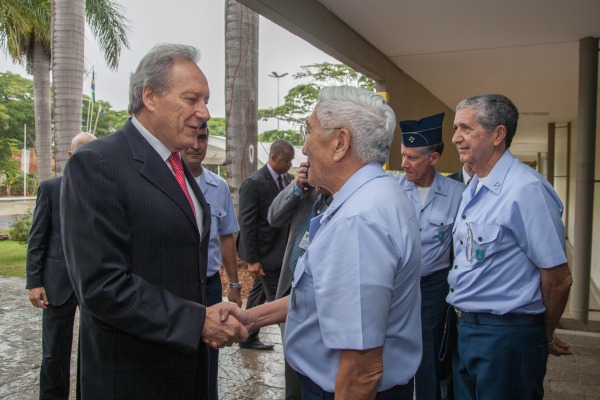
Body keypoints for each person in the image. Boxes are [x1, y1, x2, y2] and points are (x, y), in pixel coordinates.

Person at [60, 43, 247, 399]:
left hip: (184, 368)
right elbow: (101, 285)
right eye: (192, 99)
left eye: (206, 100)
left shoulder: (178, 166)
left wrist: (210, 311)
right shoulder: (98, 163)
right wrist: (196, 320)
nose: (205, 112)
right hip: (133, 375)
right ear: (150, 96)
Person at [220, 86, 422, 399]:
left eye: (309, 131)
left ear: (340, 142)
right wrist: (253, 317)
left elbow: (361, 368)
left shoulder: (358, 221)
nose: (303, 148)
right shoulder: (372, 196)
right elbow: (321, 298)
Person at [448, 93, 573, 400]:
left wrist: (541, 336)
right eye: (456, 128)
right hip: (466, 329)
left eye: (465, 128)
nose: (455, 138)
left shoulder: (525, 189)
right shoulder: (474, 187)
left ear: (498, 134)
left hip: (507, 337)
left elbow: (558, 279)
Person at [396, 112, 464, 400]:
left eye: (412, 157)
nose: (403, 164)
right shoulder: (393, 189)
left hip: (433, 286)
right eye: (402, 155)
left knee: (428, 354)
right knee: (394, 351)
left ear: (433, 158)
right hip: (398, 286)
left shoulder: (458, 193)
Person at [26, 131, 96, 400]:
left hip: (93, 283)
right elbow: (37, 239)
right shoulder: (50, 188)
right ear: (71, 156)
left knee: (92, 352)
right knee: (54, 352)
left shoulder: (103, 189)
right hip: (58, 282)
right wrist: (34, 282)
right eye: (82, 153)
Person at [180, 122, 242, 400]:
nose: (197, 144)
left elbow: (227, 238)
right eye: (191, 137)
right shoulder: (164, 183)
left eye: (202, 138)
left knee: (210, 356)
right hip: (176, 287)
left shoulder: (218, 187)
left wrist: (235, 284)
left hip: (210, 287)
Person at [268, 161, 332, 400]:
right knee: (292, 366)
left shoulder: (345, 198)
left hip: (319, 297)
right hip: (289, 288)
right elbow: (273, 217)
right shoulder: (306, 191)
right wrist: (295, 187)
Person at [236, 139, 294, 350]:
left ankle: (247, 336)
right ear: (272, 158)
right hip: (263, 254)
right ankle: (290, 343)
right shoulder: (254, 183)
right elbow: (248, 223)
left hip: (279, 252)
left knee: (257, 294)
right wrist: (252, 259)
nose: (289, 164)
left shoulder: (289, 180)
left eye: (291, 160)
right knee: (279, 302)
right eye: (285, 160)